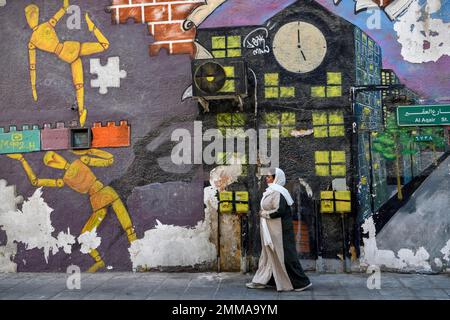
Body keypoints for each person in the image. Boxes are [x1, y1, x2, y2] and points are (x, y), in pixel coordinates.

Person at [246, 168, 312, 292]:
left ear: (276, 178)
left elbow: (279, 211)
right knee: (269, 255)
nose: (267, 178)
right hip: (271, 230)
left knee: (285, 256)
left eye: (269, 177)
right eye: (267, 177)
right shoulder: (272, 191)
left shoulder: (279, 192)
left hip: (280, 231)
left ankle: (301, 283)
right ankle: (266, 280)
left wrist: (264, 214)